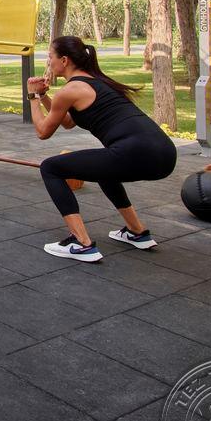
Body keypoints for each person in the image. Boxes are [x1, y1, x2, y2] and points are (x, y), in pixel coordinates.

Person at [27, 35, 176, 262]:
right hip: (165, 153)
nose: (49, 62)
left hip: (136, 152)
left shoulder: (71, 89)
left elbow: (42, 132)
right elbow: (68, 122)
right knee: (104, 172)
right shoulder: (97, 81)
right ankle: (137, 231)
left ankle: (81, 243)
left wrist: (33, 96)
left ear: (64, 60)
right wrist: (44, 96)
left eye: (50, 57)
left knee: (50, 168)